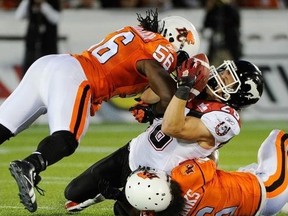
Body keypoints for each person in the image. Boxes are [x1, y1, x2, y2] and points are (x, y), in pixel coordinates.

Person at [1, 10, 200, 212]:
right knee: (66, 138)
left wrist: (149, 107)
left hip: (49, 65)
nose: (177, 63)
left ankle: (30, 165)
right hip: (75, 77)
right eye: (181, 56)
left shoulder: (137, 33)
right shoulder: (162, 47)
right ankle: (30, 165)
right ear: (176, 41)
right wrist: (173, 97)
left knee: (3, 127)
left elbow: (147, 85)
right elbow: (168, 97)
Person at [64, 58, 264, 214]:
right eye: (222, 70)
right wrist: (176, 77)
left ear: (239, 94)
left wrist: (185, 89)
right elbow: (147, 96)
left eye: (227, 78)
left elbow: (172, 127)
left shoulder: (226, 120)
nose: (218, 75)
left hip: (154, 178)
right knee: (73, 192)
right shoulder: (200, 89)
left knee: (122, 211)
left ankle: (121, 195)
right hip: (133, 152)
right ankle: (114, 191)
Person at [125, 129, 288, 216]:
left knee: (248, 169)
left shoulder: (155, 208)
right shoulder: (186, 177)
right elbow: (210, 156)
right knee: (279, 138)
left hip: (250, 209)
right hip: (269, 191)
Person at [15, 0, 61, 76]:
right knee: (29, 72)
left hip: (49, 45)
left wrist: (43, 5)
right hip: (32, 45)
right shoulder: (29, 2)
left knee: (50, 73)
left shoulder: (52, 2)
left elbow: (56, 19)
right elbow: (18, 16)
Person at [202, 0, 242, 66]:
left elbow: (235, 21)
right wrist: (211, 8)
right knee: (214, 71)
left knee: (229, 70)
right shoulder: (215, 10)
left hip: (229, 48)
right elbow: (207, 23)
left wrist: (227, 5)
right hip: (215, 49)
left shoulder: (232, 9)